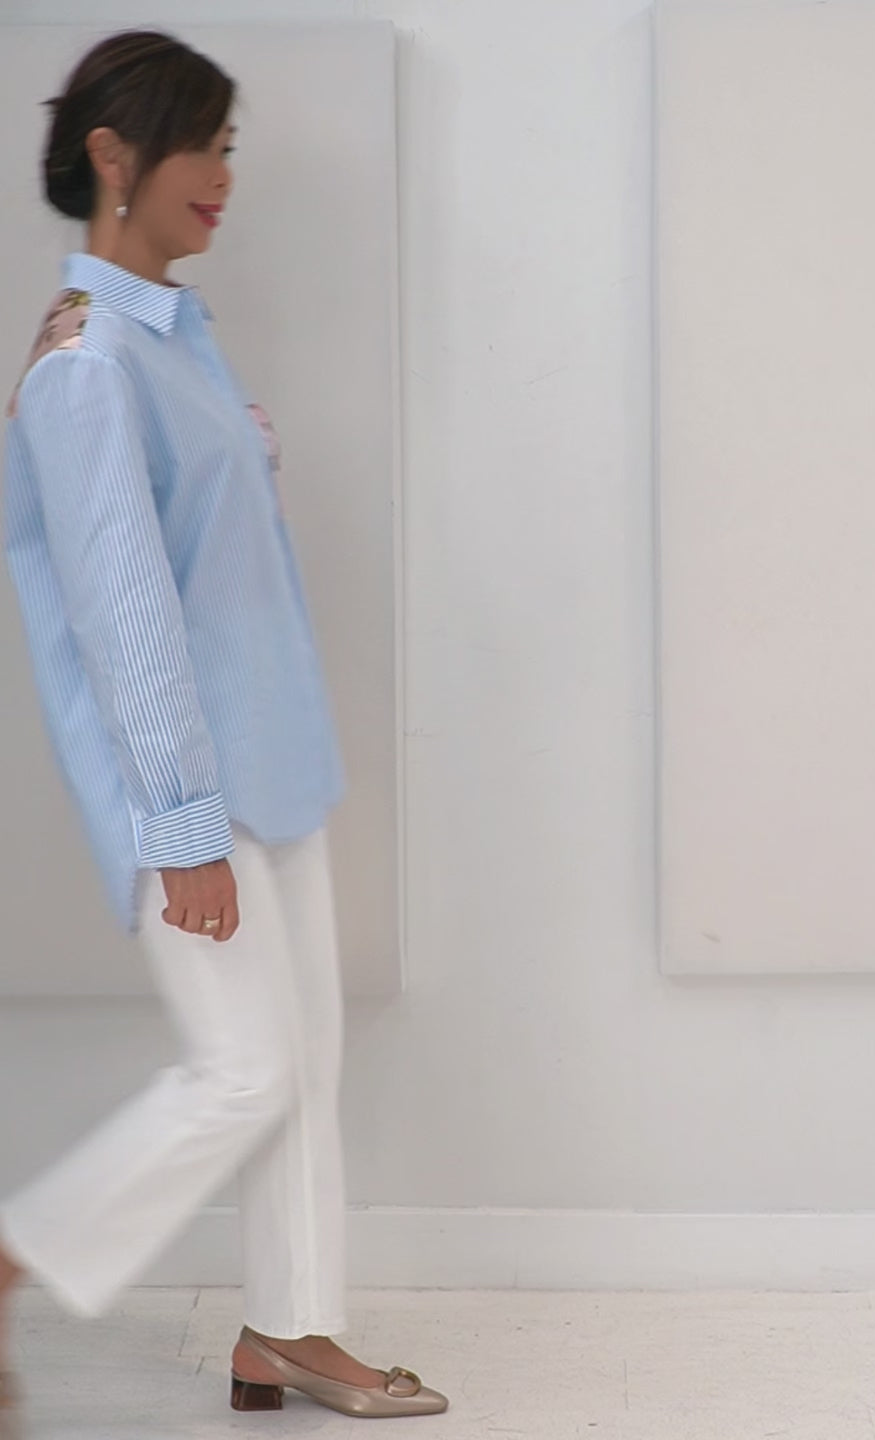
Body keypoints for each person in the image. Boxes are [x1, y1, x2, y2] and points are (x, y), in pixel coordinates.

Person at [0, 29, 447, 1422]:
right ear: (114, 155)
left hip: (275, 756)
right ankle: (12, 1257)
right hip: (192, 783)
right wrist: (183, 825)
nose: (224, 176)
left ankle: (288, 1332)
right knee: (245, 1074)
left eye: (231, 147)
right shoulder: (88, 368)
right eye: (202, 144)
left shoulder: (171, 339)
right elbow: (124, 616)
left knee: (302, 1068)